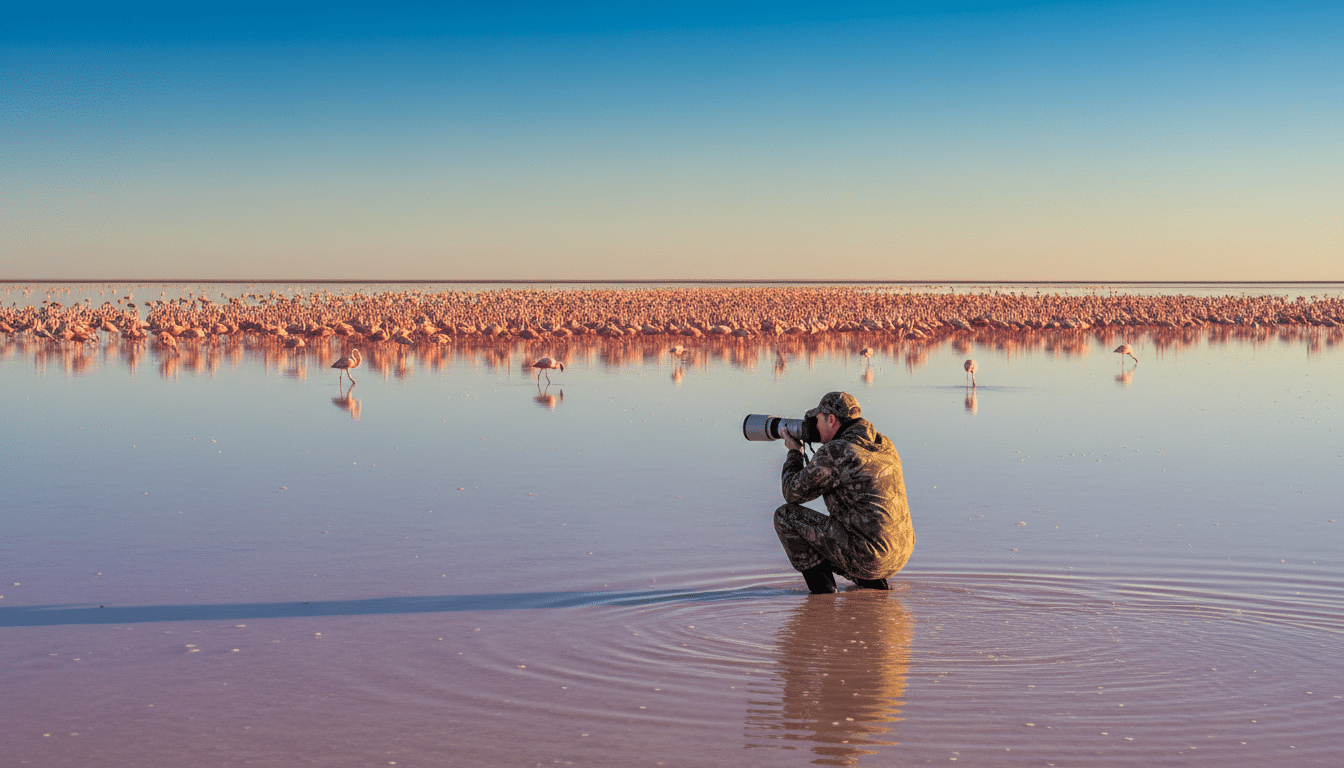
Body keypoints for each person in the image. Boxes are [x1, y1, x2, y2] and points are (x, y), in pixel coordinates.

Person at [775, 391, 914, 594]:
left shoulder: (838, 451)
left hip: (870, 557)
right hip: (899, 553)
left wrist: (794, 452)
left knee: (785, 516)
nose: (814, 426)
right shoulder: (883, 443)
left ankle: (823, 597)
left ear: (831, 420)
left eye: (817, 420)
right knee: (851, 528)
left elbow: (791, 493)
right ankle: (872, 585)